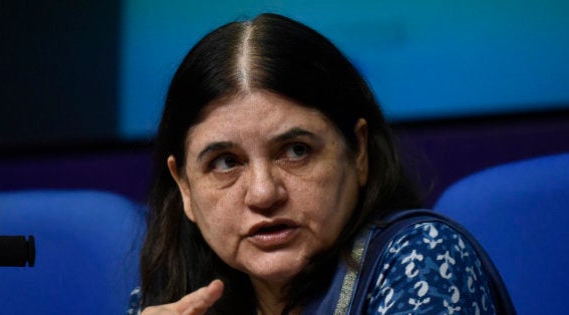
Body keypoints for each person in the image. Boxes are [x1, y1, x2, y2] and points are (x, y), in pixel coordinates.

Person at [129, 13, 513, 315]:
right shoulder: (169, 294)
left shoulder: (421, 257)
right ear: (185, 187)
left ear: (358, 152)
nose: (264, 193)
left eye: (296, 151)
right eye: (226, 162)